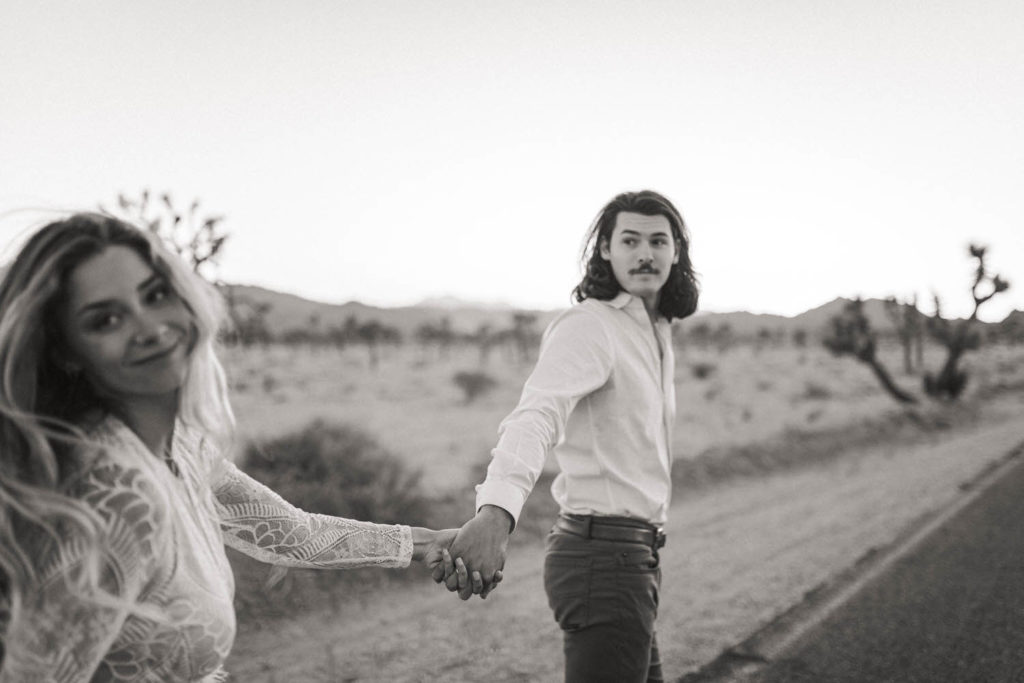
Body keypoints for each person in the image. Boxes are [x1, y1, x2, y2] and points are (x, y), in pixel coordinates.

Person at [0, 213, 465, 682]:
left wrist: (424, 543)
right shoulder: (117, 493)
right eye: (107, 319)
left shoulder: (181, 446)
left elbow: (294, 535)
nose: (151, 328)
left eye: (155, 295)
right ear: (65, 352)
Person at [440, 190, 699, 682]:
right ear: (605, 249)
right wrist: (496, 513)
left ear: (675, 252)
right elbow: (535, 415)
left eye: (658, 241)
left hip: (632, 557)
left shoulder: (655, 330)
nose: (645, 252)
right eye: (630, 240)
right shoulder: (591, 325)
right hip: (604, 557)